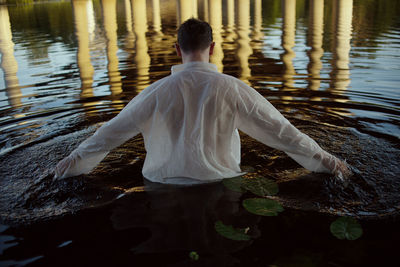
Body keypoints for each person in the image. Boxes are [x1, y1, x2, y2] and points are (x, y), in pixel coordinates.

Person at [54, 18, 351, 184]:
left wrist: (67, 165)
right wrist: (329, 161)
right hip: (221, 185)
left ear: (176, 49)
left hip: (161, 186)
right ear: (212, 48)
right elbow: (282, 132)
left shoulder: (155, 92)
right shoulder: (233, 89)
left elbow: (109, 134)